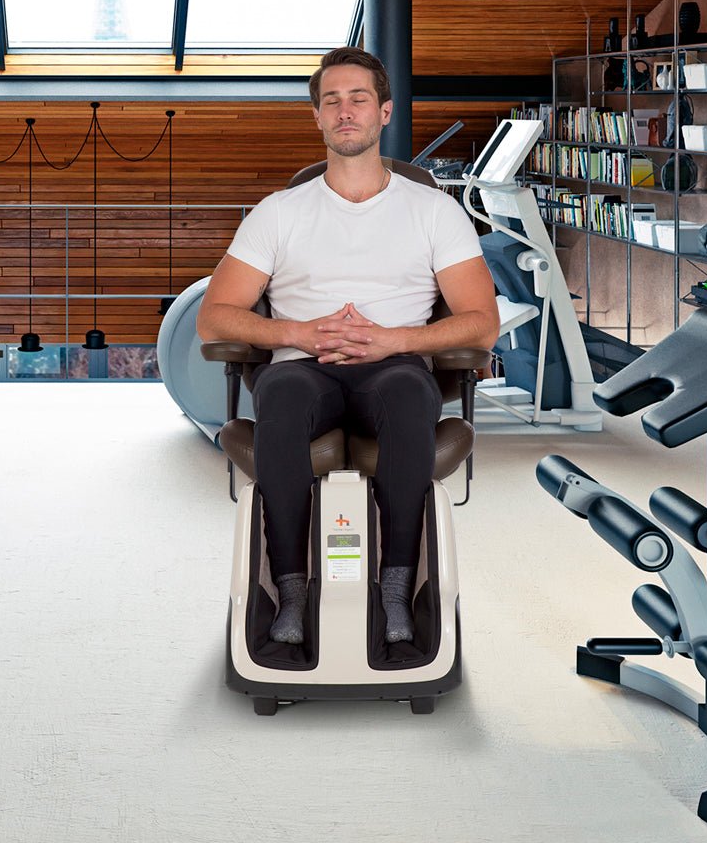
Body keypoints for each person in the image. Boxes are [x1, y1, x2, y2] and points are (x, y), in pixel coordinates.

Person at [197, 48, 499, 646]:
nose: (345, 111)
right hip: (302, 369)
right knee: (281, 394)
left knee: (410, 394)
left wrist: (396, 340)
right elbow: (214, 317)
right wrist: (298, 333)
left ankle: (397, 591)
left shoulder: (435, 211)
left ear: (384, 111)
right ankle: (290, 591)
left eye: (358, 98)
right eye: (331, 100)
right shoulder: (278, 213)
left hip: (395, 368)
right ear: (316, 117)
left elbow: (481, 324)